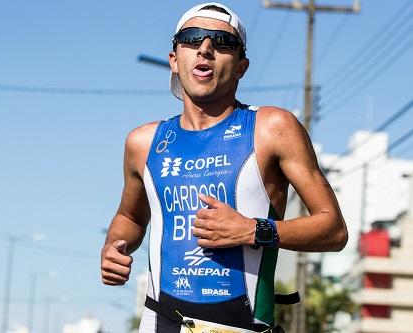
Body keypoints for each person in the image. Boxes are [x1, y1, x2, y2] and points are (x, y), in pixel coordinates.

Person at [101, 3, 347, 333]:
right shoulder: (143, 142)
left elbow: (333, 230)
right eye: (191, 39)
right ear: (174, 59)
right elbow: (130, 217)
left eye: (222, 42)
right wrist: (114, 247)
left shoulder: (272, 128)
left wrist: (253, 230)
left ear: (241, 66)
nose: (205, 49)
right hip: (160, 321)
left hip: (243, 324)